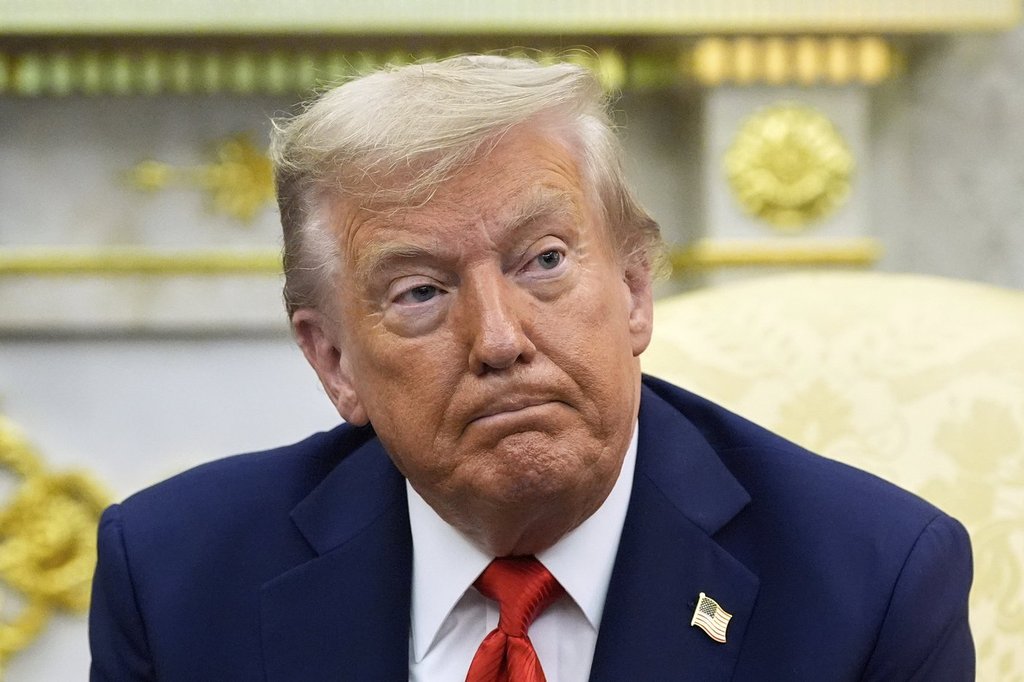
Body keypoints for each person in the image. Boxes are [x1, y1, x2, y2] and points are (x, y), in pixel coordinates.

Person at [89, 55, 974, 681]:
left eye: (544, 260)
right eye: (421, 291)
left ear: (633, 291)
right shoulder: (177, 578)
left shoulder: (869, 581)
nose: (499, 338)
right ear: (332, 360)